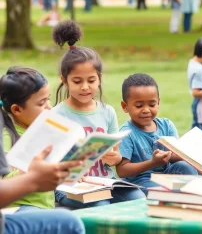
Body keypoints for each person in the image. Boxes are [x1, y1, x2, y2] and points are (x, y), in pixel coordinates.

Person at [51, 21, 145, 209]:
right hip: (69, 186)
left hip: (104, 181)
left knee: (138, 197)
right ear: (64, 80)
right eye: (77, 81)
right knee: (100, 205)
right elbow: (49, 160)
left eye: (91, 80)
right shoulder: (56, 115)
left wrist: (114, 158)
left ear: (99, 79)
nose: (85, 87)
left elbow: (116, 156)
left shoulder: (107, 112)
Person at [0, 68, 85, 233]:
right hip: (21, 206)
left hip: (45, 204)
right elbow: (6, 179)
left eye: (48, 100)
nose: (49, 107)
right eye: (41, 103)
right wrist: (34, 174)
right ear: (17, 109)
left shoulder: (44, 131)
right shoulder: (6, 136)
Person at [116, 73, 198, 195]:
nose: (146, 110)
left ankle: (192, 195)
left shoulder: (166, 125)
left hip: (166, 174)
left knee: (185, 167)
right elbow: (122, 170)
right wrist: (152, 163)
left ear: (158, 103)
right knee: (162, 190)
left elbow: (179, 155)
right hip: (141, 180)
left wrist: (178, 155)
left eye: (152, 104)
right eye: (139, 105)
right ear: (125, 106)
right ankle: (176, 194)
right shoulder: (126, 133)